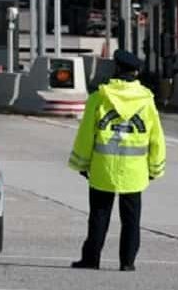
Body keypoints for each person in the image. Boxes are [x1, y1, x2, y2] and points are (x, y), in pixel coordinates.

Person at [69, 49, 167, 272]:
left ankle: (91, 259)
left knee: (99, 217)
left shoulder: (99, 98)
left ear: (116, 69)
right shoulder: (146, 100)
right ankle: (127, 262)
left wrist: (82, 164)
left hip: (103, 168)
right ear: (136, 72)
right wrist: (154, 168)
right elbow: (156, 137)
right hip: (134, 171)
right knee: (131, 220)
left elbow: (86, 134)